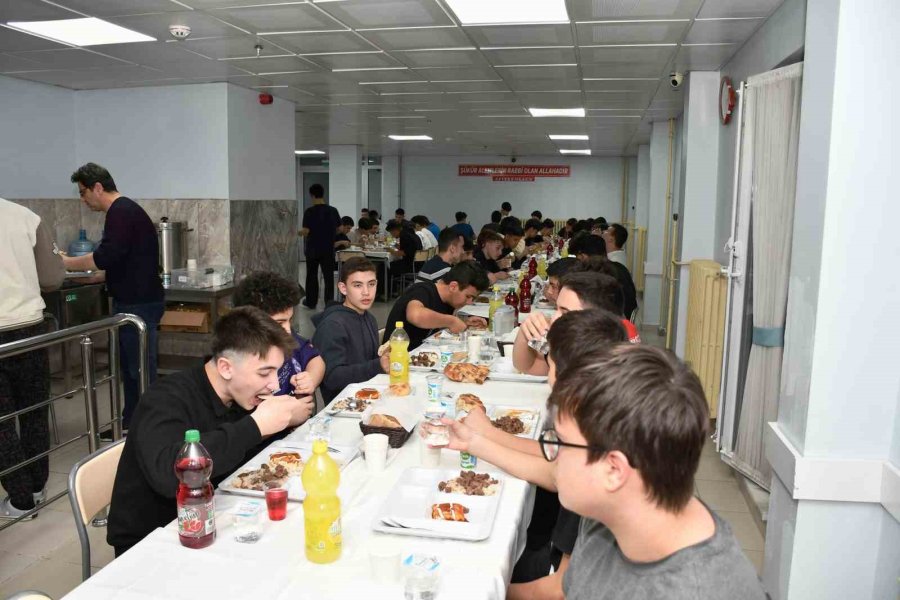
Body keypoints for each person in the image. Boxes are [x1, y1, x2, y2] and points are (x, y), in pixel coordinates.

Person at [434, 310, 628, 596]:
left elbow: (561, 590)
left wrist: (489, 593)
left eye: (550, 363)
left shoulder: (593, 461)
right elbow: (554, 469)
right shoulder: (610, 420)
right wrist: (476, 442)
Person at [553, 346, 766, 599]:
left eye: (561, 442)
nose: (553, 454)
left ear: (614, 470)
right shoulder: (604, 513)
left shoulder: (693, 591)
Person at [107, 307, 310, 555]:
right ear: (226, 367)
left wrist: (280, 424)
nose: (275, 384)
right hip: (152, 541)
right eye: (264, 373)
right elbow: (169, 475)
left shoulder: (240, 396)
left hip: (213, 519)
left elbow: (241, 453)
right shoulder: (166, 398)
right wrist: (256, 426)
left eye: (277, 371)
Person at [65, 163, 165, 434]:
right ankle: (131, 426)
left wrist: (67, 262)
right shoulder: (125, 211)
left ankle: (150, 430)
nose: (83, 199)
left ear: (98, 187)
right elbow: (123, 259)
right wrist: (99, 278)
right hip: (135, 300)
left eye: (83, 192)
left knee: (139, 370)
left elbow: (105, 256)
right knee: (131, 371)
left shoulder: (121, 212)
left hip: (138, 304)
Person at [0, 199, 65, 520]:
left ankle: (21, 499)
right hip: (29, 327)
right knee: (34, 412)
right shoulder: (26, 217)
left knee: (1, 424)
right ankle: (36, 488)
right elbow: (52, 277)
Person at [232, 272, 325, 401]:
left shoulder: (285, 337)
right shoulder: (241, 363)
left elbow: (314, 358)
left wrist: (310, 379)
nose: (288, 330)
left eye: (289, 320)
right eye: (279, 323)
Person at [513, 271, 626, 376]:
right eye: (556, 309)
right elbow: (530, 366)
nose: (553, 318)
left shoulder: (611, 372)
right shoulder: (573, 348)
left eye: (565, 312)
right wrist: (525, 332)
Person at [312, 258, 390, 403]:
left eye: (371, 284)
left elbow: (368, 361)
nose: (366, 292)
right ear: (343, 288)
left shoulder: (370, 318)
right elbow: (332, 378)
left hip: (370, 395)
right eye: (357, 285)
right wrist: (378, 365)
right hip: (344, 404)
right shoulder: (332, 326)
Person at [382, 261, 490, 350]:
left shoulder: (449, 302)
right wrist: (452, 321)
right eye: (468, 296)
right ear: (453, 287)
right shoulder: (423, 291)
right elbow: (415, 315)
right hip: (396, 359)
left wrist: (464, 323)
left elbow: (438, 323)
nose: (470, 302)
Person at [569, 233, 638, 319]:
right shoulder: (620, 267)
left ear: (583, 256)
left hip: (612, 321)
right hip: (626, 317)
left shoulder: (595, 275)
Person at [299, 183, 341, 310]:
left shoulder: (309, 212)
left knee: (312, 275)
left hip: (313, 249)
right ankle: (329, 302)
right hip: (328, 248)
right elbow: (340, 229)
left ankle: (311, 301)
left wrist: (297, 232)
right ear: (323, 194)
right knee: (328, 276)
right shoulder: (333, 210)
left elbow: (306, 231)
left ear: (312, 195)